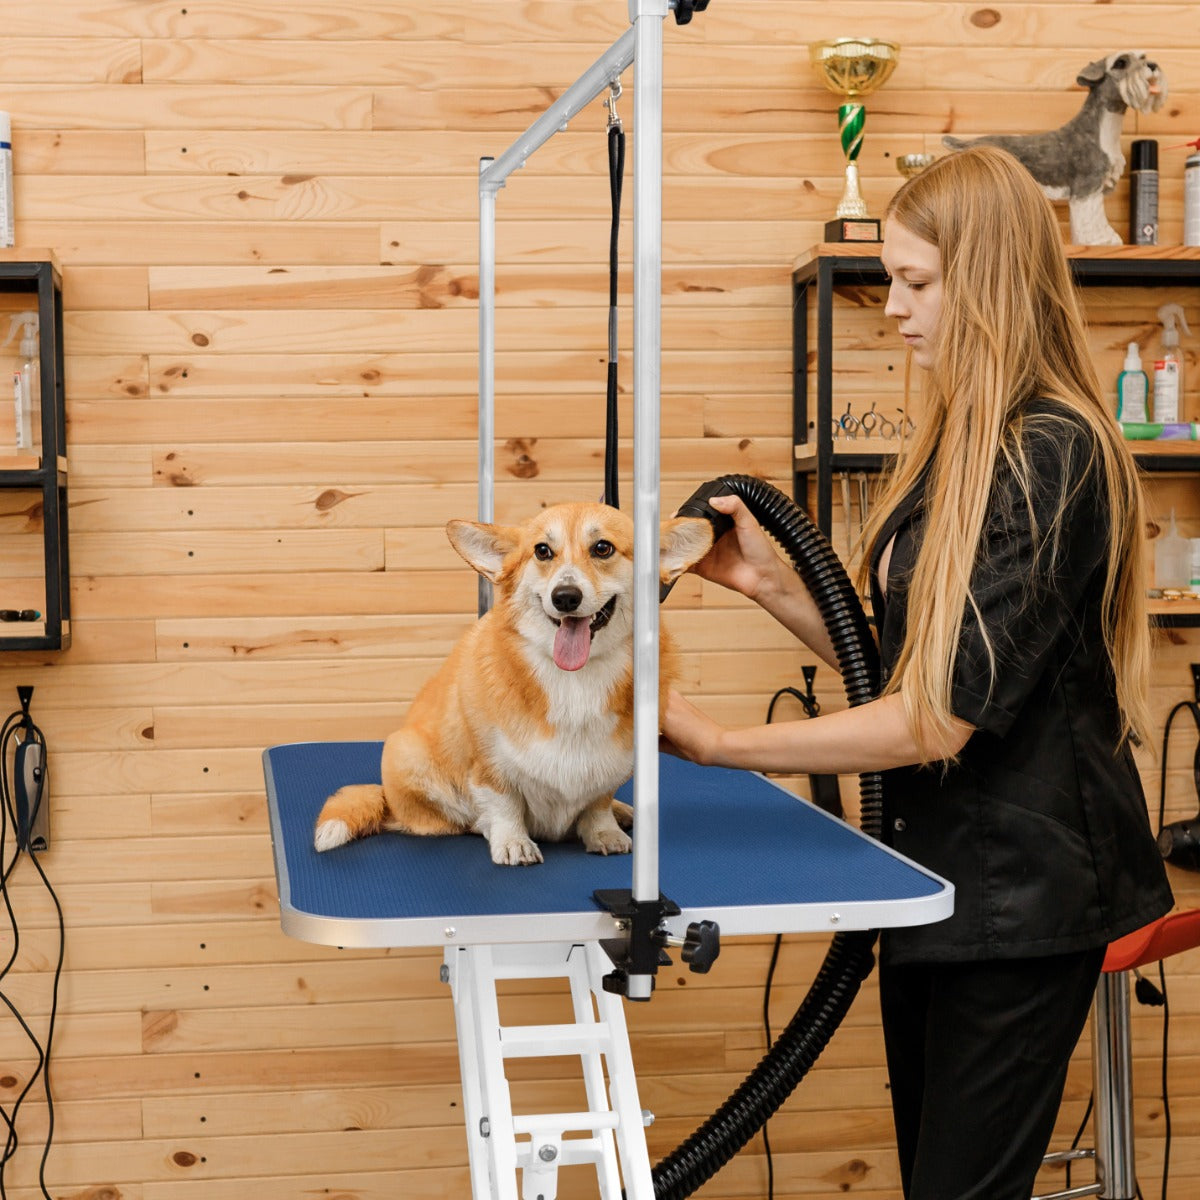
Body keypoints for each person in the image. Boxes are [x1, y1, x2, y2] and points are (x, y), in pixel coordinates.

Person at [660, 145, 1174, 1200]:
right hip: (937, 881)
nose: (892, 308)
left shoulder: (1051, 452)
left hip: (1017, 901)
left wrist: (720, 747)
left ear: (984, 280)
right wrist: (768, 585)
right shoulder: (964, 439)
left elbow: (936, 717)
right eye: (892, 278)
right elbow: (903, 660)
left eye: (916, 282)